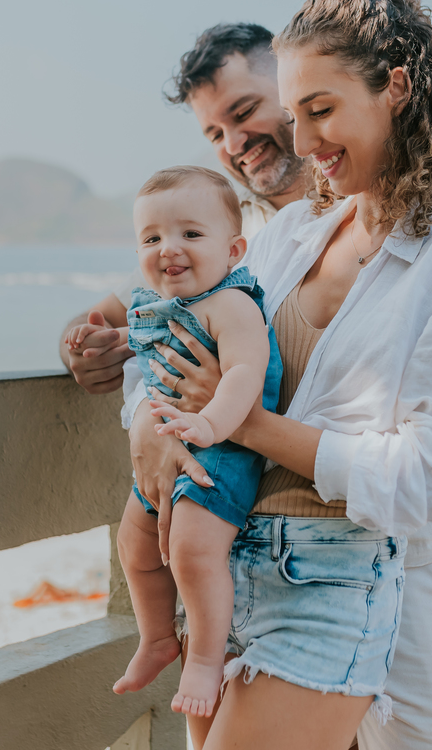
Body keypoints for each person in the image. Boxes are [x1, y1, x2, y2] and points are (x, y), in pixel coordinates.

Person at [126, 0, 432, 750]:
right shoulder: (289, 238)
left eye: (321, 111)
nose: (305, 143)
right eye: (295, 115)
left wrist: (249, 425)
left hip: (395, 589)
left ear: (396, 88)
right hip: (244, 580)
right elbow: (180, 344)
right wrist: (150, 421)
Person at [75, 165, 281, 717]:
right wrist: (105, 338)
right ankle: (157, 637)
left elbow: (244, 373)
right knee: (134, 547)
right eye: (152, 237)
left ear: (233, 249)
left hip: (222, 453)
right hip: (170, 450)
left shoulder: (232, 305)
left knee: (192, 551)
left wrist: (212, 425)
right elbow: (140, 341)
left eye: (190, 234)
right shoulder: (163, 306)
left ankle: (206, 658)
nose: (170, 248)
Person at [59, 23, 308, 395]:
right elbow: (97, 318)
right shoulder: (210, 226)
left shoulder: (361, 204)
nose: (234, 143)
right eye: (215, 134)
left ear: (291, 87)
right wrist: (82, 352)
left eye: (244, 112)